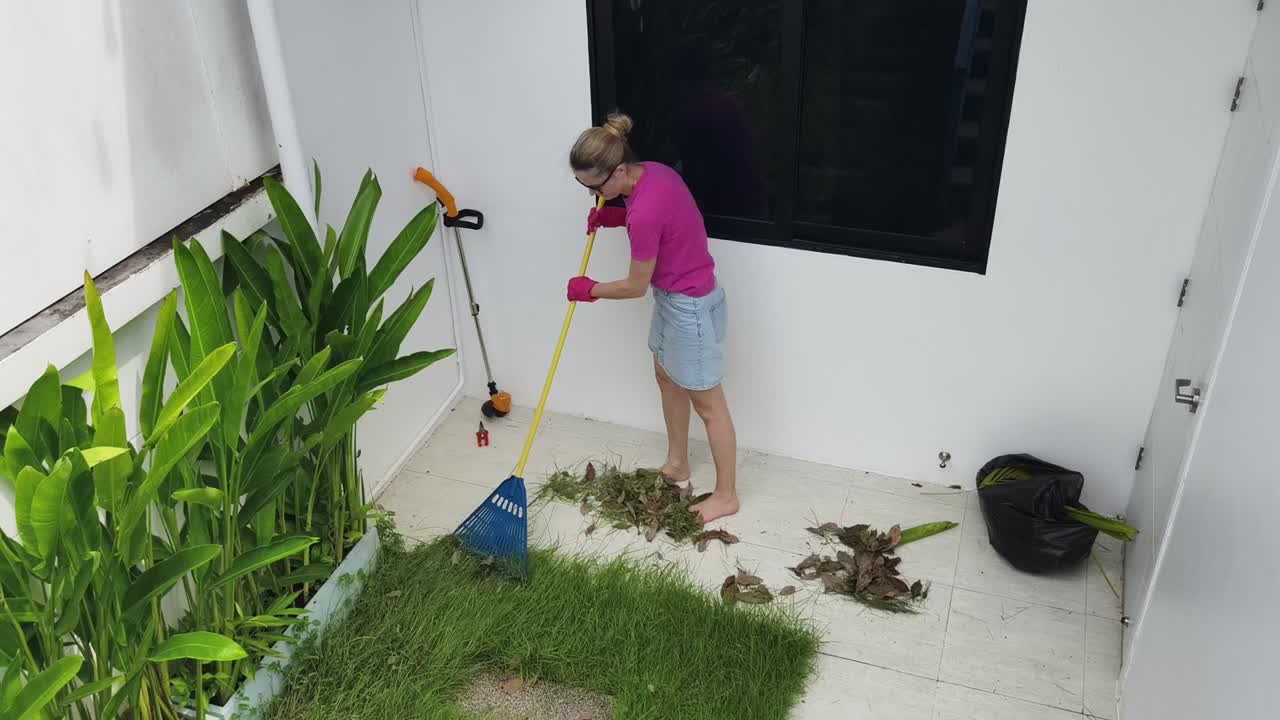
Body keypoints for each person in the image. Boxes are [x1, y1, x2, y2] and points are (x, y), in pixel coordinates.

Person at [566, 112, 739, 524]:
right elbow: (667, 220)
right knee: (665, 375)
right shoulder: (655, 173)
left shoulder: (642, 213)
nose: (592, 194)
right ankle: (677, 463)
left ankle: (727, 496)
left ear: (620, 169)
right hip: (674, 297)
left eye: (594, 186)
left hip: (690, 306)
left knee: (710, 405)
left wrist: (588, 289)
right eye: (584, 186)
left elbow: (634, 286)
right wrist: (612, 216)